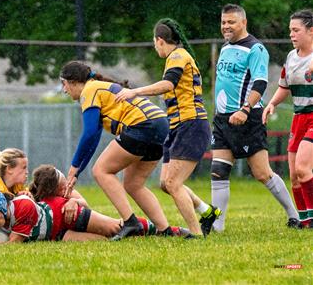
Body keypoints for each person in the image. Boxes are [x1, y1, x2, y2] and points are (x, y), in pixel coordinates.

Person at [115, 18, 221, 237]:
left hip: (190, 125)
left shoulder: (177, 56)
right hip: (178, 127)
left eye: (155, 43)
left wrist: (135, 91)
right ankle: (207, 211)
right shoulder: (177, 57)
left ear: (160, 40)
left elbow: (168, 84)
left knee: (173, 183)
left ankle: (196, 234)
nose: (155, 48)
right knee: (166, 183)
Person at [60, 61, 179, 240]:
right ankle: (165, 230)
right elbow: (93, 139)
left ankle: (131, 222)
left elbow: (89, 133)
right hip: (160, 126)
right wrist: (77, 172)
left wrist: (74, 165)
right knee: (133, 184)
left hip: (143, 125)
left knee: (101, 171)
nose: (64, 90)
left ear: (73, 81)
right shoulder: (101, 88)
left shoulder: (89, 91)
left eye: (64, 84)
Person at [211, 4, 300, 232]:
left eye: (231, 22)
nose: (226, 27)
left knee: (262, 173)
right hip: (223, 120)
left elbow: (260, 83)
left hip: (247, 118)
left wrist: (245, 109)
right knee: (218, 171)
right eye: (223, 22)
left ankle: (294, 215)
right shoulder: (225, 47)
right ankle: (216, 227)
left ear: (244, 23)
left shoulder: (255, 49)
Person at [28, 164, 188, 240]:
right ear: (51, 191)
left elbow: (84, 203)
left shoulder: (68, 193)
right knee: (105, 241)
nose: (66, 190)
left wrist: (74, 202)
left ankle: (169, 230)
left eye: (66, 186)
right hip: (62, 232)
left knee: (116, 228)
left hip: (80, 221)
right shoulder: (41, 200)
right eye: (62, 188)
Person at [263, 9, 313, 228]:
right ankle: (305, 220)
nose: (292, 34)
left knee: (303, 168)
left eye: (296, 30)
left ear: (311, 31)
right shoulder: (291, 57)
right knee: (294, 175)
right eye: (290, 30)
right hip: (299, 117)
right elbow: (284, 86)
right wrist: (272, 103)